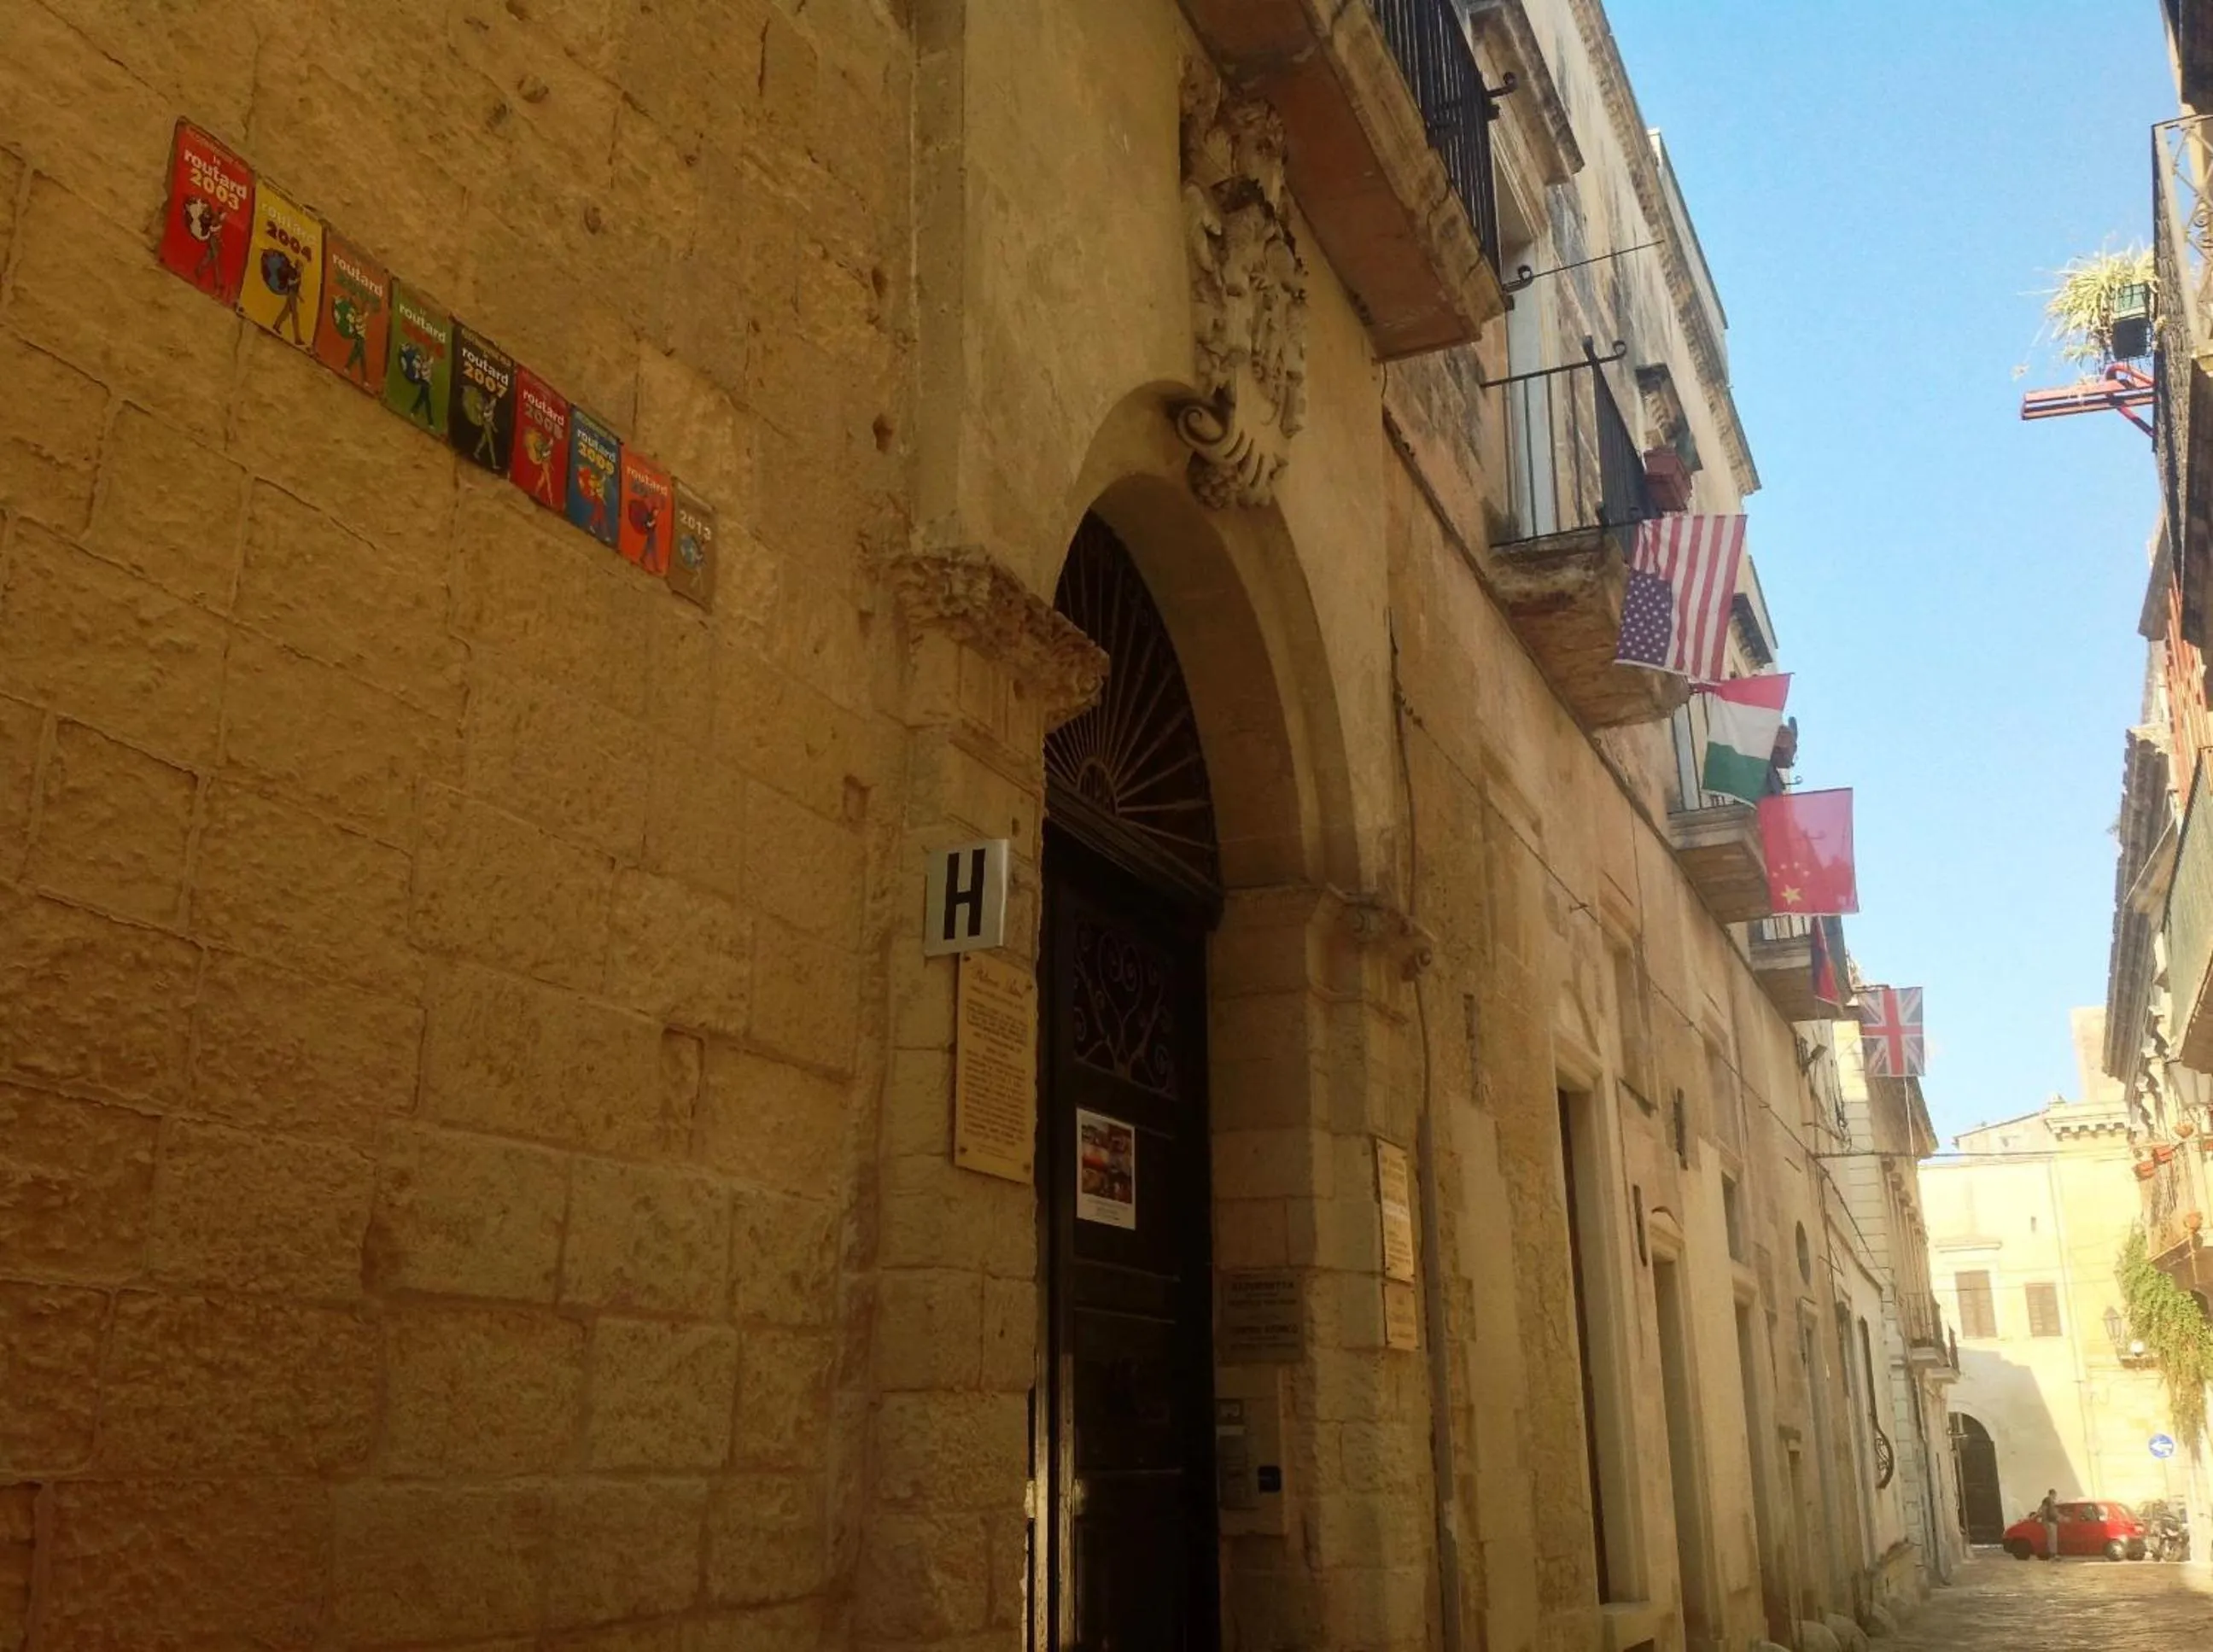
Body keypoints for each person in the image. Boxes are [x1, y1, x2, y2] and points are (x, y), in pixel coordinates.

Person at [2038, 1490, 2059, 1561]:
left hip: (2053, 1522)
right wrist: (2045, 1521)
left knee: (2053, 1539)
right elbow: (2043, 1510)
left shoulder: (2052, 1502)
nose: (2055, 1496)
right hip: (2050, 1522)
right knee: (2051, 1539)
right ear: (2052, 1494)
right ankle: (2052, 1555)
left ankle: (2053, 1554)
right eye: (2055, 1495)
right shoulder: (2047, 1500)